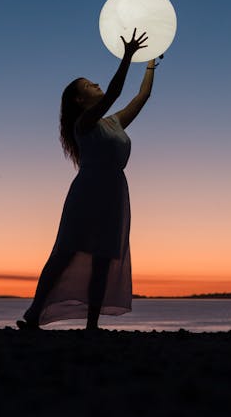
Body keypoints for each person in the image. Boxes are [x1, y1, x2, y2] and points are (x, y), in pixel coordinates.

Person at [19, 28, 159, 332]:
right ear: (81, 99)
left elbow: (142, 96)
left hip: (114, 191)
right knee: (66, 252)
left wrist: (149, 65)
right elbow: (114, 93)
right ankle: (34, 314)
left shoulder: (113, 122)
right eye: (88, 84)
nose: (95, 83)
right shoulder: (84, 123)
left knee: (103, 258)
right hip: (88, 190)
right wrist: (127, 56)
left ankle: (92, 325)